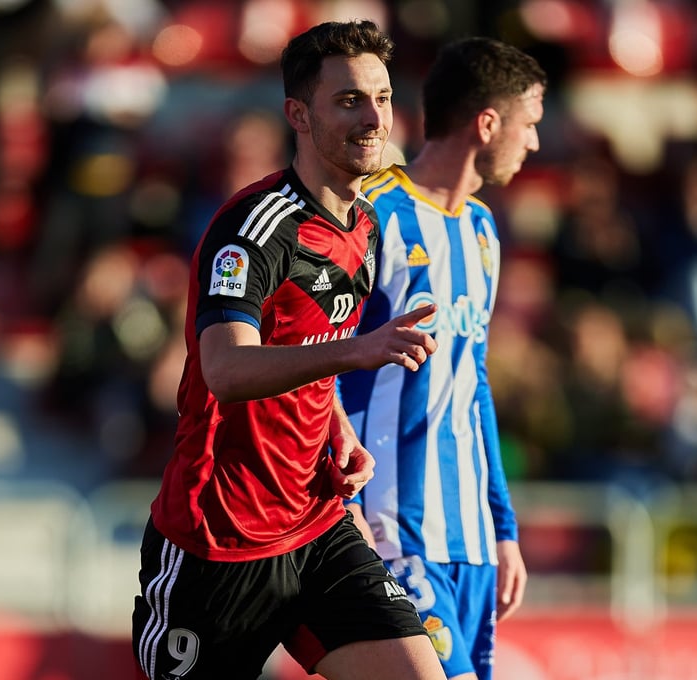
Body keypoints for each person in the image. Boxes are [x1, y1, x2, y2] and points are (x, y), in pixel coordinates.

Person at [131, 20, 448, 680]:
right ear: (298, 115)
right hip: (218, 541)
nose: (373, 118)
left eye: (383, 98)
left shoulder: (363, 225)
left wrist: (338, 433)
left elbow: (309, 347)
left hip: (315, 524)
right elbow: (226, 369)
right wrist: (358, 352)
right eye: (349, 101)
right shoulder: (254, 229)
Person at [336, 37, 545, 680]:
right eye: (529, 124)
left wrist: (503, 528)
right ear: (488, 124)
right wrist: (345, 504)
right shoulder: (373, 215)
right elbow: (323, 363)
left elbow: (472, 382)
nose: (535, 143)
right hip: (394, 527)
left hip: (472, 539)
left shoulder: (483, 229)